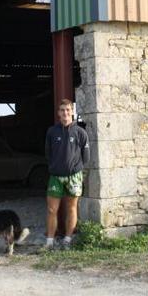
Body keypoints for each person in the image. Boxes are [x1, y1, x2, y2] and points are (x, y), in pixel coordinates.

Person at [43, 98, 90, 250]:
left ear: (72, 112)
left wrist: (75, 168)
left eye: (68, 110)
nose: (65, 113)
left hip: (74, 176)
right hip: (55, 177)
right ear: (58, 113)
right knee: (51, 210)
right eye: (62, 110)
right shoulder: (52, 132)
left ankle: (68, 240)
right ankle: (50, 242)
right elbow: (48, 153)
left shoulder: (80, 132)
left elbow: (86, 156)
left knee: (71, 208)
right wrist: (55, 167)